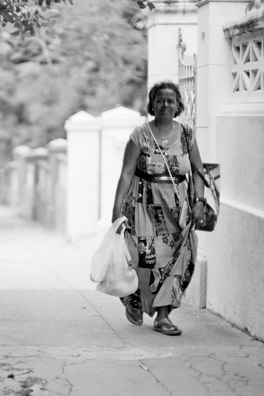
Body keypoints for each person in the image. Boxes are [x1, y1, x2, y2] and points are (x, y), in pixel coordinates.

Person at [111, 80, 206, 336]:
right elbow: (127, 172)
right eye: (160, 100)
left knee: (179, 258)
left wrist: (199, 202)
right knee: (145, 259)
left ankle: (163, 317)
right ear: (152, 104)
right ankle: (133, 295)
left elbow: (198, 171)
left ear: (178, 106)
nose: (166, 104)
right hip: (144, 205)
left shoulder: (187, 135)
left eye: (171, 100)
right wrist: (116, 209)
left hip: (178, 208)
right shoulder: (140, 135)